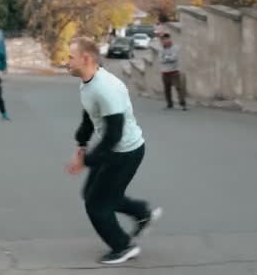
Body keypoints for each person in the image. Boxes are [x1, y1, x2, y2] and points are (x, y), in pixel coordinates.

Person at [65, 36, 162, 265]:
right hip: (114, 151)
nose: (66, 61)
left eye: (71, 57)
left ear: (86, 58)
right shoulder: (88, 83)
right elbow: (89, 117)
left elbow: (113, 135)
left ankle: (123, 246)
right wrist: (81, 145)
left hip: (125, 153)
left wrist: (86, 161)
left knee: (97, 206)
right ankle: (142, 213)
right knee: (93, 194)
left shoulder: (105, 88)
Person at [159, 33, 187, 110]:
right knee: (167, 89)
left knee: (179, 88)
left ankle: (182, 103)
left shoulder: (175, 48)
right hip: (165, 72)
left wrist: (166, 58)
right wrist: (168, 58)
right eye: (163, 40)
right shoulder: (161, 49)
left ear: (169, 39)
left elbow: (174, 58)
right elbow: (161, 60)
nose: (164, 41)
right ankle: (169, 103)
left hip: (174, 72)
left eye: (166, 39)